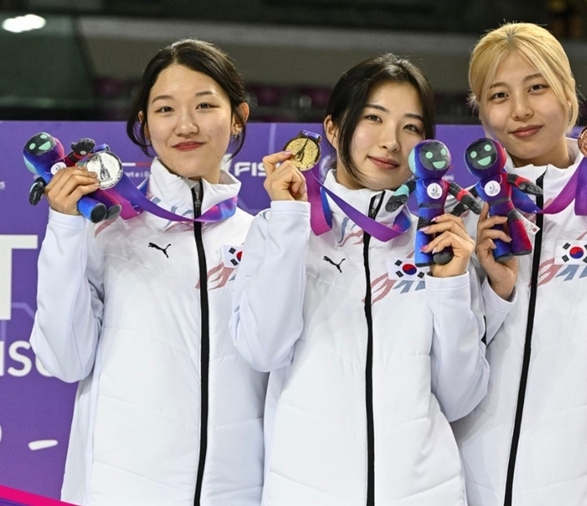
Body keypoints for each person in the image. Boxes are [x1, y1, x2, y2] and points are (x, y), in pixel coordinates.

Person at [229, 53, 494, 506]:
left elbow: (459, 397)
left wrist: (450, 286)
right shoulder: (282, 228)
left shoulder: (439, 240)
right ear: (333, 129)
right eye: (374, 118)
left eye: (411, 127)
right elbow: (262, 348)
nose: (391, 141)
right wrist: (290, 221)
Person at [30, 39, 267, 505]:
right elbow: (63, 359)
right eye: (164, 109)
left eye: (204, 105)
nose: (185, 125)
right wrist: (64, 226)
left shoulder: (264, 240)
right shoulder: (108, 232)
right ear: (143, 123)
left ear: (238, 116)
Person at [450, 22, 587, 506]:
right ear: (481, 112)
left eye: (537, 87)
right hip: (459, 484)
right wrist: (493, 291)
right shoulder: (464, 218)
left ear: (569, 94)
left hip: (570, 489)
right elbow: (449, 363)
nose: (520, 110)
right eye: (499, 95)